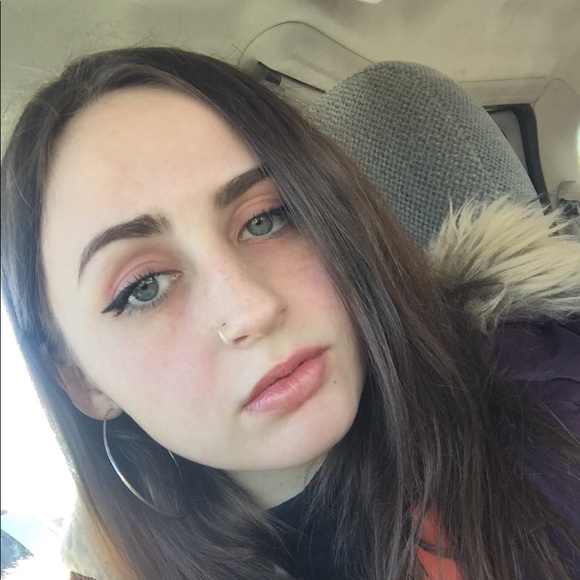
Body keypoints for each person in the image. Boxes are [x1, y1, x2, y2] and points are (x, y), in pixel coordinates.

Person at [1, 47, 579, 580]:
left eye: (266, 219)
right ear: (80, 380)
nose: (251, 307)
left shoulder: (550, 400)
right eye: (144, 287)